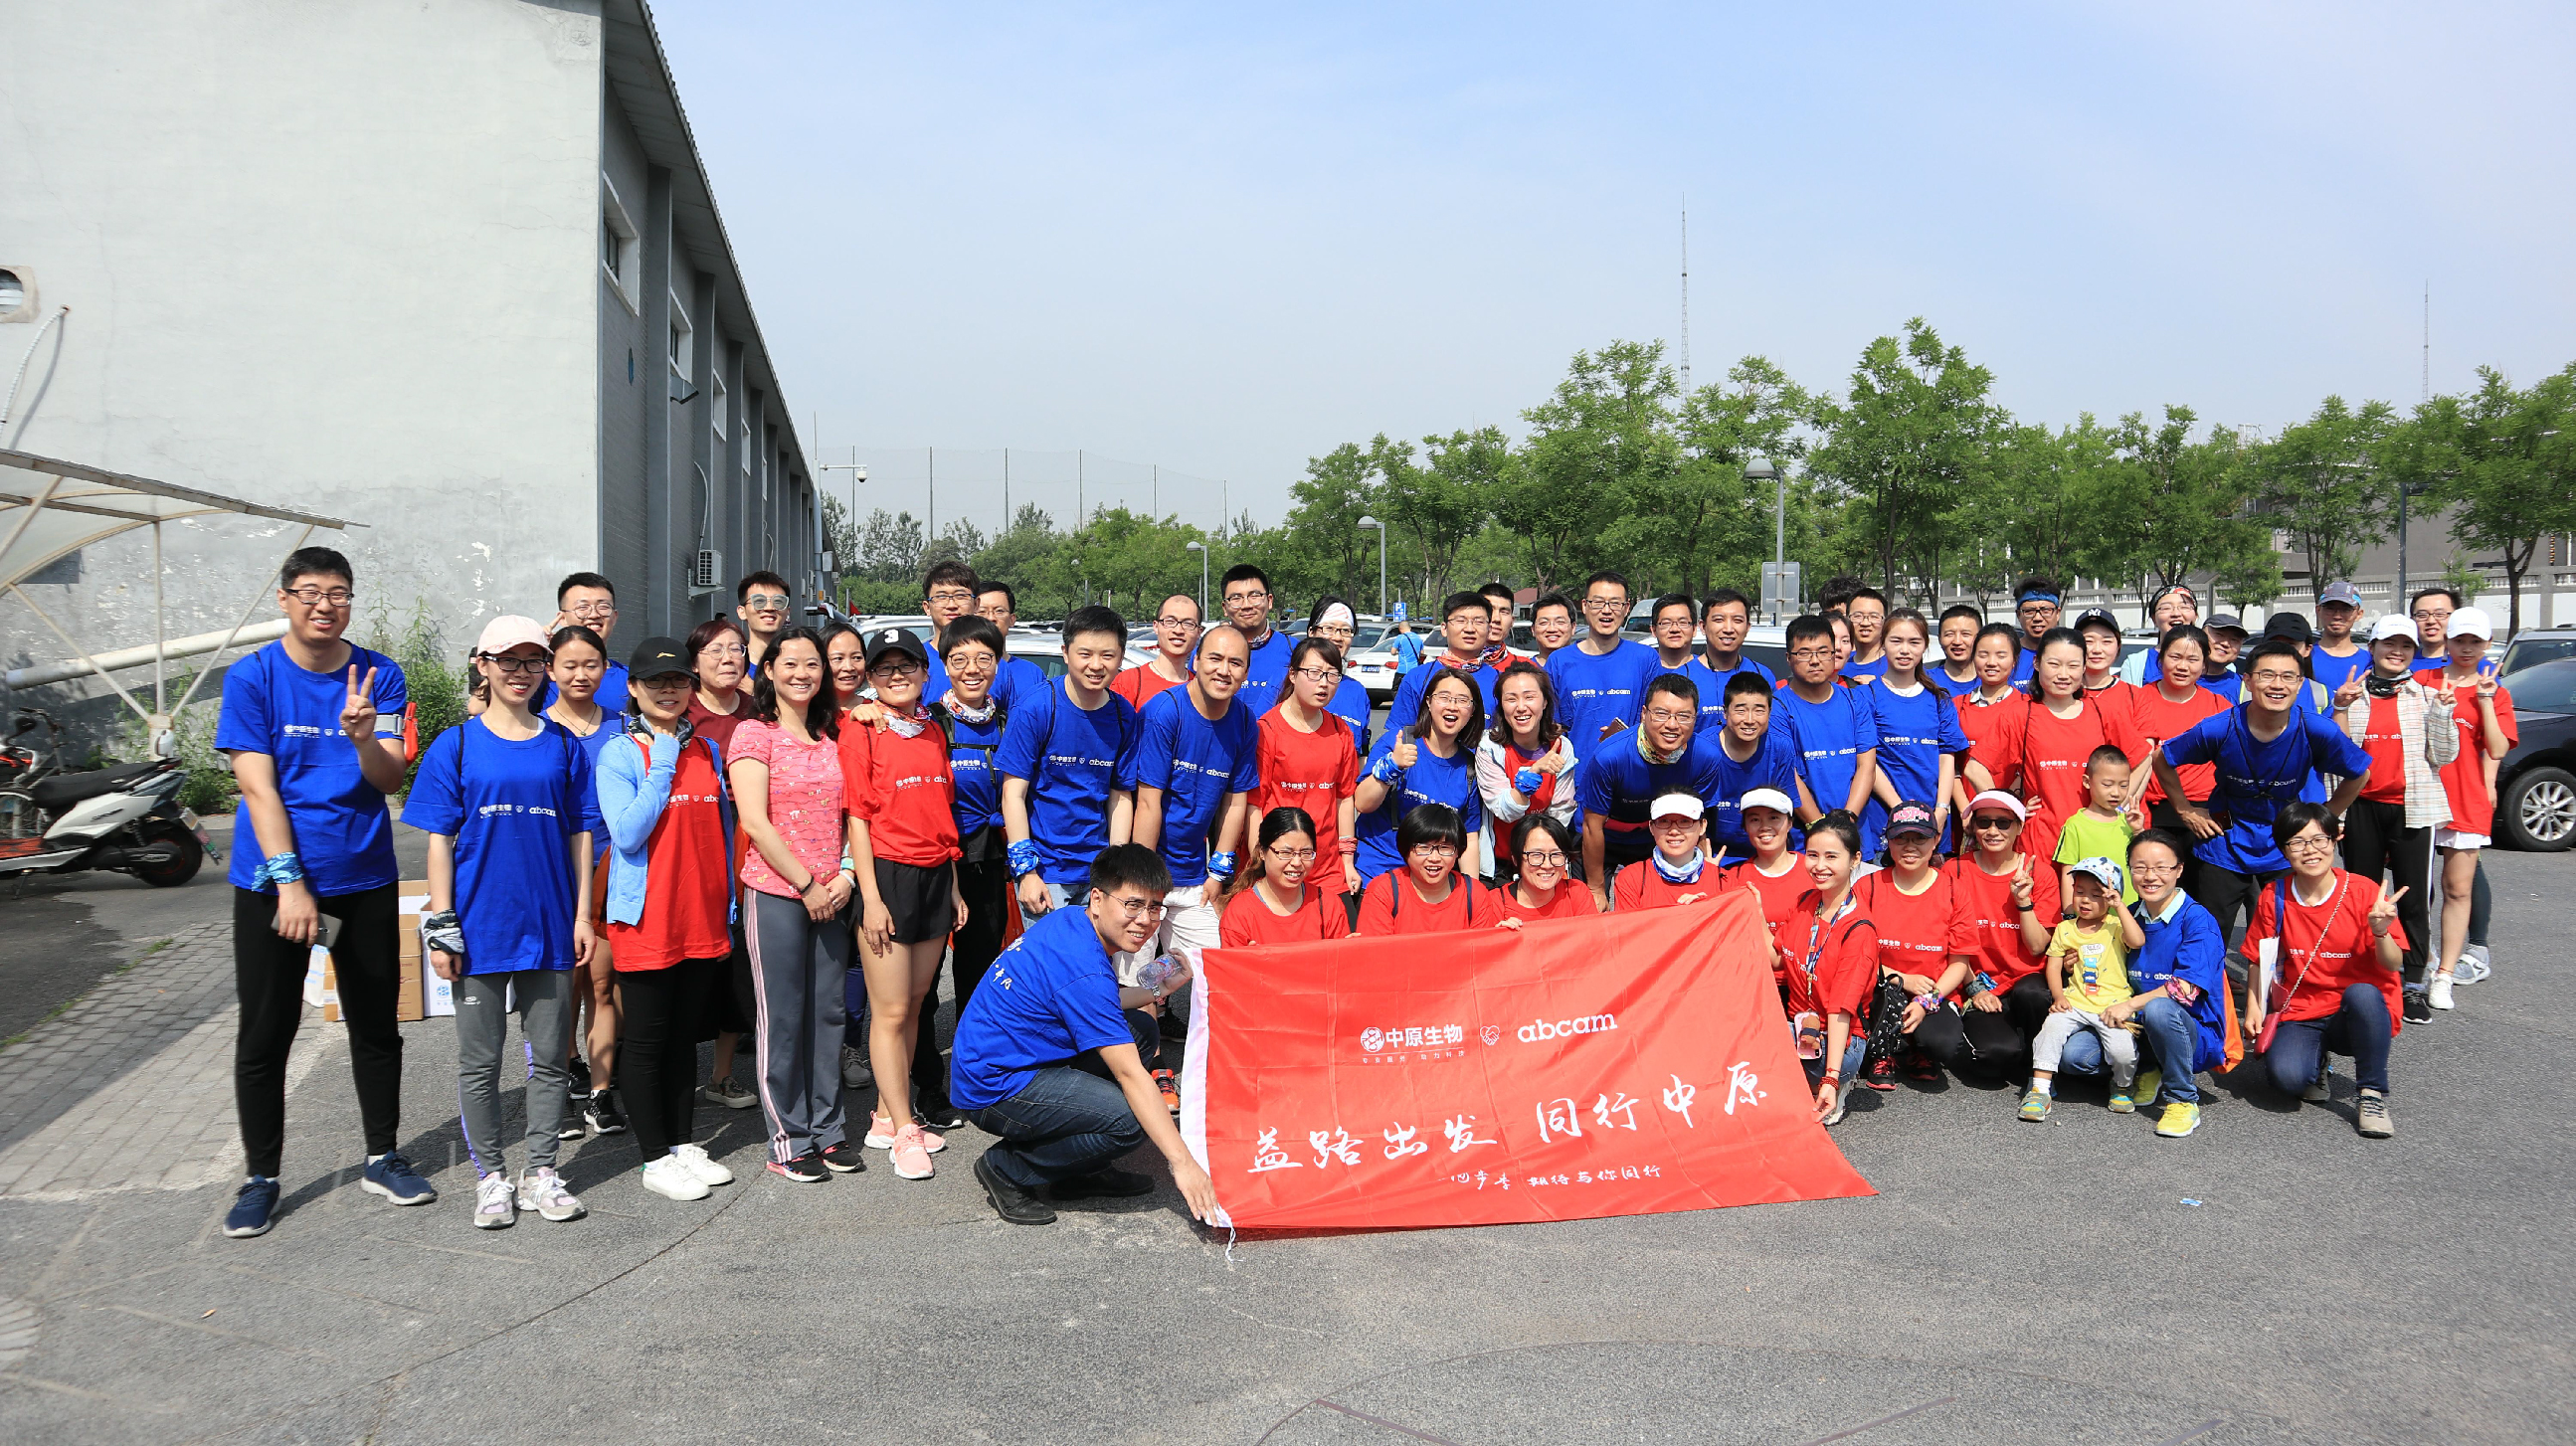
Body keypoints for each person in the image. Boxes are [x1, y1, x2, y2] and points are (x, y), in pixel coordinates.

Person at [217, 546, 425, 1239]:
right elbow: (257, 788)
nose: (324, 606)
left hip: (364, 879)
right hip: (273, 886)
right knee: (266, 1031)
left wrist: (364, 738)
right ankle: (261, 1177)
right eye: (310, 593)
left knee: (376, 1025)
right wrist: (291, 886)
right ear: (284, 599)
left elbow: (388, 779)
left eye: (338, 593)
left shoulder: (379, 674)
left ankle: (382, 1157)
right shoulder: (253, 677)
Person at [411, 616, 601, 1228]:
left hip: (550, 925)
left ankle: (541, 1171)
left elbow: (581, 835)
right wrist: (441, 924)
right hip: (479, 928)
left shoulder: (564, 746)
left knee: (549, 1060)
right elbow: (438, 841)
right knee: (479, 1063)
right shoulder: (456, 745)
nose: (521, 673)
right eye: (508, 661)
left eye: (532, 661)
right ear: (483, 666)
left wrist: (582, 916)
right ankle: (491, 1178)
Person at [951, 845, 1218, 1226]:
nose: (1145, 920)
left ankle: (1076, 1170)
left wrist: (1161, 987)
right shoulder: (1083, 968)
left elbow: (1102, 1001)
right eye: (1133, 905)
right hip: (995, 1087)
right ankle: (1006, 1167)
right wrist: (1184, 1164)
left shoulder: (1072, 920)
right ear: (1097, 898)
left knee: (1142, 1029)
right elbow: (1130, 1074)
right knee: (1130, 1120)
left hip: (1015, 1056)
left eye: (1155, 907)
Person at [597, 636, 739, 1202]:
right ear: (633, 688)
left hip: (701, 914)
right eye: (655, 682)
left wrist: (728, 900)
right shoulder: (619, 753)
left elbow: (719, 831)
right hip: (647, 918)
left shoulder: (705, 749)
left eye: (678, 680)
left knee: (684, 1039)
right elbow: (627, 833)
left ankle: (682, 1144)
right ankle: (653, 1157)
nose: (668, 690)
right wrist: (661, 761)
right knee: (647, 1041)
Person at [728, 625, 859, 1183]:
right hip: (778, 893)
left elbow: (854, 814)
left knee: (828, 1015)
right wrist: (807, 885)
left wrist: (846, 875)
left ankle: (828, 1130)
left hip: (833, 893)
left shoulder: (833, 734)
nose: (803, 674)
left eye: (813, 664)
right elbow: (755, 822)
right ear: (769, 671)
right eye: (791, 663)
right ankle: (789, 1139)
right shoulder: (753, 734)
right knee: (782, 1017)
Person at [841, 627, 967, 1180]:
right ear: (870, 677)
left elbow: (941, 809)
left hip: (936, 876)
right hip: (888, 878)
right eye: (885, 668)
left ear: (925, 672)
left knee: (914, 1005)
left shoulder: (933, 728)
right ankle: (905, 1128)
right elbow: (858, 817)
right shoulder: (861, 728)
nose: (897, 676)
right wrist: (870, 898)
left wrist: (954, 885)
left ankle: (884, 1117)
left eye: (907, 666)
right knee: (890, 1011)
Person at [2152, 638, 2372, 953]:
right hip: (2224, 839)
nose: (2277, 685)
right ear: (2247, 680)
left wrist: (2326, 817)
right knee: (2208, 938)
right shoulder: (2220, 727)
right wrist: (2185, 809)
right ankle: (2210, 983)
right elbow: (2163, 758)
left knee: (2284, 936)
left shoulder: (2316, 729)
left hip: (2285, 841)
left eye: (2288, 677)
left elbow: (2360, 773)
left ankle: (2275, 986)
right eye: (2267, 675)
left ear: (2300, 684)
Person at [1130, 624, 1260, 1109]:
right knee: (1135, 976)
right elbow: (1148, 799)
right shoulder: (1165, 711)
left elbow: (1236, 798)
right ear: (1197, 662)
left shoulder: (1243, 719)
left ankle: (1214, 1065)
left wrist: (1219, 870)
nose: (1224, 671)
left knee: (1210, 965)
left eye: (1235, 663)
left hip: (1195, 877)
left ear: (1246, 672)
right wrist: (1142, 881)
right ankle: (1153, 1068)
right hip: (1150, 872)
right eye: (1215, 659)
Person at [2243, 804, 2407, 1139]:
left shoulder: (2364, 892)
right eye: (2297, 842)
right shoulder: (2274, 895)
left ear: (2335, 840)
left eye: (2319, 839)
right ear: (2284, 849)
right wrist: (2254, 1007)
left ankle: (2372, 1093)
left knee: (2363, 994)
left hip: (2357, 1010)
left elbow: (2393, 964)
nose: (2310, 850)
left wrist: (2381, 932)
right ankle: (2316, 1062)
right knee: (2287, 1079)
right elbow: (2258, 957)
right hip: (2302, 1007)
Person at [912, 617, 1013, 1117]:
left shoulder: (1010, 720)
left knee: (979, 977)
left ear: (998, 663)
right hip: (936, 864)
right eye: (959, 660)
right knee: (925, 984)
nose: (972, 669)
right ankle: (927, 1082)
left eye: (983, 659)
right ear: (944, 666)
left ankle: (974, 1076)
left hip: (990, 862)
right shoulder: (927, 722)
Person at [2334, 615, 2458, 1019]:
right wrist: (2340, 708)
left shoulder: (2426, 696)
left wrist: (2443, 713)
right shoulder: (2352, 695)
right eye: (2389, 644)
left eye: (2406, 646)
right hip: (2361, 807)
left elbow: (2444, 756)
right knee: (2362, 896)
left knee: (2414, 898)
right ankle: (2365, 973)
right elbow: (2338, 759)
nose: (2397, 652)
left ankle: (2414, 983)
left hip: (2412, 808)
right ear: (2372, 648)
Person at [2081, 829, 2233, 1140]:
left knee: (2160, 1009)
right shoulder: (2128, 916)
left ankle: (2182, 1100)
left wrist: (2130, 1005)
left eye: (2161, 867)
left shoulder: (2197, 919)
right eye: (2140, 867)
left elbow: (2185, 989)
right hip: (2135, 1027)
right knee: (2077, 1058)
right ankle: (2151, 1067)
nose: (2150, 876)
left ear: (2179, 869)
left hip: (2189, 1030)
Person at [1001, 606, 1142, 918]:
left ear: (1120, 657)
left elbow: (1120, 795)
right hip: (1046, 871)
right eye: (1085, 654)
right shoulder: (1036, 707)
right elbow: (1012, 794)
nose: (1096, 665)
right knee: (1052, 950)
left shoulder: (1123, 715)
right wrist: (1026, 872)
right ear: (1065, 653)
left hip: (1097, 872)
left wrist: (1114, 866)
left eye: (1107, 655)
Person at [545, 623, 627, 1137]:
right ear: (550, 670)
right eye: (569, 665)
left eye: (590, 664)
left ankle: (600, 1092)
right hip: (552, 872)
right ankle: (559, 1080)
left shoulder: (623, 726)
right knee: (560, 987)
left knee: (602, 982)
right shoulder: (535, 728)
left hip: (612, 870)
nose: (580, 674)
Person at [683, 619, 764, 1111]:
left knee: (739, 961)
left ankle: (721, 1075)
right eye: (715, 650)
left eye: (736, 649)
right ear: (695, 662)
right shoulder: (681, 710)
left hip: (749, 842)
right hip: (694, 840)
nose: (729, 658)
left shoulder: (758, 711)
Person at [2417, 606, 2514, 998]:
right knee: (2416, 888)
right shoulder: (2423, 680)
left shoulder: (2496, 691)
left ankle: (2445, 975)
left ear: (2488, 644)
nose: (2468, 647)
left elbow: (2498, 747)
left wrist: (2485, 700)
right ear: (2447, 641)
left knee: (2457, 888)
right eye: (2460, 640)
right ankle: (2422, 962)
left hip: (2467, 799)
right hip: (2421, 797)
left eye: (2476, 640)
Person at [1993, 629, 2145, 867]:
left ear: (2084, 667)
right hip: (2041, 843)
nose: (2063, 675)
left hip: (2096, 841)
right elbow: (1976, 768)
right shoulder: (2020, 714)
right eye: (2054, 664)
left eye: (2073, 666)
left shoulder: (2102, 711)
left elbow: (2143, 758)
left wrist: (2118, 804)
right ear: (2037, 663)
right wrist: (2010, 808)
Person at [1852, 801, 1978, 1087]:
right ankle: (1882, 1052)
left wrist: (1926, 1002)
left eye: (1919, 838)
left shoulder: (1953, 890)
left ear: (1935, 841)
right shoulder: (1867, 887)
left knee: (1942, 1044)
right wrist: (1901, 978)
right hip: (1879, 987)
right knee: (1879, 1000)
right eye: (1901, 838)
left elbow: (1960, 963)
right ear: (1888, 841)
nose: (1910, 846)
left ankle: (1918, 1050)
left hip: (1932, 990)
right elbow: (1856, 954)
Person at [2018, 856, 2146, 1121]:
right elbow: (2053, 966)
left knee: (2122, 1051)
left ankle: (2122, 1085)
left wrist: (2119, 906)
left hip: (2114, 1005)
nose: (2085, 900)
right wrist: (2058, 996)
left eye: (2096, 895)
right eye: (2079, 892)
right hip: (2075, 1001)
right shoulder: (2065, 928)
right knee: (2050, 1031)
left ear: (2111, 897)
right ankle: (2040, 1090)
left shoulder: (2115, 925)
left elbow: (2137, 941)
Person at [1576, 673, 1722, 906]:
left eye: (1683, 716)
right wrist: (1596, 888)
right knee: (1591, 908)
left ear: (1695, 718)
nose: (1672, 725)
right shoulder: (1610, 757)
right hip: (1604, 837)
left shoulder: (1706, 757)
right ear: (1644, 714)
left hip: (1658, 837)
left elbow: (1699, 820)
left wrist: (1704, 866)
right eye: (1661, 714)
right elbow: (1592, 826)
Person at [1941, 790, 2061, 1073]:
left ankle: (2038, 1062)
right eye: (1984, 822)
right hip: (1975, 979)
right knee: (1995, 1056)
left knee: (2032, 996)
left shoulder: (2040, 872)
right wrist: (1975, 988)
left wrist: (2023, 902)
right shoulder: (1954, 870)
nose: (1993, 831)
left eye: (2003, 823)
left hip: (2025, 982)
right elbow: (1947, 942)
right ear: (1973, 827)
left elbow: (2037, 947)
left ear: (2019, 826)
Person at [1253, 637, 1364, 922]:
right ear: (1292, 674)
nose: (1324, 684)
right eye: (1314, 673)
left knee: (1343, 940)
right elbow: (1256, 804)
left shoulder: (1341, 732)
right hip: (1281, 866)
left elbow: (1344, 798)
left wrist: (1347, 861)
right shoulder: (1267, 730)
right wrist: (1259, 863)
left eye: (1332, 675)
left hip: (1327, 868)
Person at [1780, 813, 1875, 1127]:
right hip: (1799, 1027)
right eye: (1813, 855)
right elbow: (1778, 958)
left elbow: (1840, 1011)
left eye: (1831, 856)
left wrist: (1831, 1079)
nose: (1819, 865)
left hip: (1839, 1039)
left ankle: (1834, 1084)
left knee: (1767, 1052)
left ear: (1855, 859)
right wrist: (1748, 912)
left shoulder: (1859, 928)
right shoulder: (1807, 900)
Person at [1356, 666, 1487, 884]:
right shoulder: (1397, 741)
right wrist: (1391, 768)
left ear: (1472, 710)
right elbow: (1361, 803)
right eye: (1444, 697)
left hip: (1431, 884)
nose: (1452, 706)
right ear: (1428, 702)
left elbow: (1469, 837)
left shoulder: (1469, 767)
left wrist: (1471, 892)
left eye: (1462, 700)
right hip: (1377, 875)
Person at [1862, 610, 1968, 853]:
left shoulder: (1939, 698)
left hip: (1933, 823)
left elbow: (1946, 758)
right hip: (1885, 821)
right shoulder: (1866, 696)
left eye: (1914, 642)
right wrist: (1901, 811)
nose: (1905, 650)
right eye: (1896, 641)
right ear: (1882, 644)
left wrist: (1941, 810)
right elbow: (1867, 762)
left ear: (1925, 647)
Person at [2129, 628, 2230, 878]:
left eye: (2193, 659)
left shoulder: (2219, 707)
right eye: (2175, 657)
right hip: (2153, 813)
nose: (2183, 666)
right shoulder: (2136, 700)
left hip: (2206, 815)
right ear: (2160, 659)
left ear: (2204, 665)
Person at [1774, 615, 1880, 845]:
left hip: (1856, 836)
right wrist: (1819, 827)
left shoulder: (1855, 700)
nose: (1815, 661)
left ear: (1834, 654)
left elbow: (1866, 767)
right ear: (1788, 658)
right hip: (1804, 840)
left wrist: (1849, 818)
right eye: (1804, 653)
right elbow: (1787, 774)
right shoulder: (1777, 707)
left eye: (1823, 652)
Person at [1476, 660, 1578, 880]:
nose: (1521, 707)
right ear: (1501, 705)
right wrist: (1533, 773)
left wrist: (1540, 857)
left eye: (1529, 697)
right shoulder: (1490, 747)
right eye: (1511, 699)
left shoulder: (1562, 747)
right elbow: (1504, 811)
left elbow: (1561, 812)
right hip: (1500, 862)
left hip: (1543, 861)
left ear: (1545, 702)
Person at [1546, 570, 1658, 747]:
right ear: (1584, 606)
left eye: (1615, 603)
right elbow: (1551, 727)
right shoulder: (1559, 662)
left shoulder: (1645, 659)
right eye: (1598, 602)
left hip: (1630, 762)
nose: (1606, 611)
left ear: (1627, 608)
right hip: (1576, 763)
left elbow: (1657, 718)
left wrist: (1629, 737)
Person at [1219, 807, 1353, 946]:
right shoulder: (1239, 913)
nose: (1296, 862)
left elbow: (1341, 958)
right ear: (1262, 852)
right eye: (1285, 853)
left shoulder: (1328, 905)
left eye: (1306, 853)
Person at [1704, 674, 1802, 859]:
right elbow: (1695, 815)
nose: (1749, 720)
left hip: (1765, 850)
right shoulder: (1704, 749)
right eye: (1740, 710)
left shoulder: (1780, 748)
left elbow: (1786, 809)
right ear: (1725, 712)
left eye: (1759, 711)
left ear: (1770, 712)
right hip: (1715, 853)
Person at [1357, 804, 1484, 935]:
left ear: (1458, 852)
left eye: (1445, 848)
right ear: (1406, 850)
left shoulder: (1475, 894)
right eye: (1424, 848)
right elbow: (1375, 946)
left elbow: (1484, 945)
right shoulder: (1383, 891)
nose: (1434, 858)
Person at [1952, 622, 2031, 821]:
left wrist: (2009, 807)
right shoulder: (1956, 706)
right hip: (1967, 814)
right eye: (1983, 654)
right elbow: (1949, 765)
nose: (1991, 662)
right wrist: (1965, 811)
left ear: (2014, 660)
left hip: (2013, 815)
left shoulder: (2029, 708)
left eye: (2001, 655)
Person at [1391, 591, 1505, 723]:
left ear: (1489, 630)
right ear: (1444, 629)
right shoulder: (1417, 678)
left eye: (1479, 622)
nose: (1469, 629)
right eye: (1460, 621)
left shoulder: (1500, 682)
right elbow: (1399, 730)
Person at [2053, 746, 2139, 911]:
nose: (2116, 792)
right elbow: (2068, 873)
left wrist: (2138, 832)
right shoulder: (2075, 825)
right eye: (2107, 784)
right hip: (2090, 918)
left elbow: (2143, 862)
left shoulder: (2129, 822)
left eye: (2123, 785)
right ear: (2087, 782)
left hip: (2128, 914)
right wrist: (2069, 914)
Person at [1612, 793, 1732, 911]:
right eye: (1664, 821)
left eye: (1685, 821)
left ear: (1702, 826)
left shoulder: (1726, 881)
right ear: (1651, 827)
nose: (1674, 831)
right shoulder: (1631, 878)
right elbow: (1628, 923)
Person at [1484, 814, 1598, 927]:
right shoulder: (1494, 903)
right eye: (1536, 855)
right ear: (1515, 859)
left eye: (1556, 854)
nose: (1547, 865)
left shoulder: (1576, 893)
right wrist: (1499, 935)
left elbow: (1593, 937)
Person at [541, 571, 631, 713]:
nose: (594, 615)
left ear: (614, 617)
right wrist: (535, 646)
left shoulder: (631, 679)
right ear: (562, 618)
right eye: (582, 607)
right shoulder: (540, 675)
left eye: (603, 607)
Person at [1218, 565, 1295, 719]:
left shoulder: (1295, 650)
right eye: (1236, 598)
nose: (1246, 605)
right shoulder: (1207, 652)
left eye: (1254, 596)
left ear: (1269, 601)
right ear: (1225, 607)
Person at [1303, 596, 1377, 749]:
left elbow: (1361, 751)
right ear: (1311, 632)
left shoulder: (1357, 691)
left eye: (1345, 630)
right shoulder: (1287, 680)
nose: (1337, 637)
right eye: (1329, 628)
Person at [969, 581, 1050, 705]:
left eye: (999, 611)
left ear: (1012, 620)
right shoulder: (960, 671)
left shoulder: (1032, 673)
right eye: (982, 611)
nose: (991, 618)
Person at [1114, 592, 1198, 712]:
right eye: (1170, 621)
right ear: (1156, 626)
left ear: (1199, 632)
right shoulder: (1128, 682)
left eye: (1188, 624)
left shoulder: (1201, 687)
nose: (1178, 630)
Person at [1693, 589, 1776, 709]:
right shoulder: (1684, 676)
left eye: (1737, 620)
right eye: (1719, 620)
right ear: (1703, 626)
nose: (1728, 629)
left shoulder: (1763, 675)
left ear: (1747, 627)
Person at [2119, 584, 2202, 685]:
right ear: (2154, 618)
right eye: (2166, 608)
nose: (2176, 613)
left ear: (2195, 616)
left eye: (2184, 607)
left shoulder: (2211, 660)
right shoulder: (2135, 663)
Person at [2309, 582, 2371, 697]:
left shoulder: (2370, 661)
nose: (2337, 616)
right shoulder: (2305, 657)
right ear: (2318, 611)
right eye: (2330, 608)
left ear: (2359, 614)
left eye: (2346, 609)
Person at [736, 570, 794, 674]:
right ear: (742, 612)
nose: (769, 608)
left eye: (778, 602)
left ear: (787, 611)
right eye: (759, 601)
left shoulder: (798, 666)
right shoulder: (734, 667)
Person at [2008, 576, 2064, 684]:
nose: (2037, 618)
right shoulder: (2007, 655)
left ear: (2057, 614)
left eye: (2046, 610)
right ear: (2018, 615)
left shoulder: (2071, 653)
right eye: (2029, 611)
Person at [1646, 593, 1701, 683]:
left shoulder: (1709, 671)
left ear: (1694, 629)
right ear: (1654, 630)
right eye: (1666, 623)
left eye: (1683, 622)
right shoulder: (1643, 671)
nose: (1674, 629)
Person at [1842, 588, 1890, 683]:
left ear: (1884, 621)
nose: (1865, 623)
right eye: (1857, 616)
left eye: (1874, 616)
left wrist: (1878, 686)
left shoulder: (1896, 665)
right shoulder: (1839, 664)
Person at [1933, 605, 1983, 690]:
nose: (1957, 641)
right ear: (1940, 639)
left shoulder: (1998, 680)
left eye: (1965, 634)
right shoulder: (1926, 681)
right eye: (1950, 634)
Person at [2409, 586, 2460, 668]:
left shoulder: (2474, 664)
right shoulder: (2401, 664)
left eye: (2440, 614)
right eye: (2422, 615)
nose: (2431, 621)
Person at [2199, 614, 2249, 700]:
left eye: (2234, 640)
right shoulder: (2178, 679)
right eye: (2219, 634)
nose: (2225, 643)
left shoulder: (2246, 688)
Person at [1528, 592, 1576, 666]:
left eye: (1560, 622)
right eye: (1543, 622)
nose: (1552, 629)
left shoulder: (1586, 668)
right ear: (1533, 629)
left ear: (1573, 628)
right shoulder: (1523, 671)